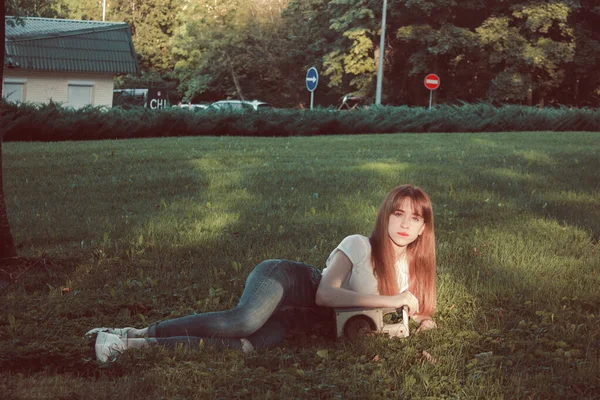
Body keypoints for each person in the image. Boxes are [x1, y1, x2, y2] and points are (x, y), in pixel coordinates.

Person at [88, 184, 437, 363]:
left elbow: (416, 313)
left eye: (415, 218)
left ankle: (128, 346)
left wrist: (425, 323)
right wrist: (390, 299)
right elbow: (325, 295)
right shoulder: (359, 244)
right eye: (398, 214)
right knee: (243, 321)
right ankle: (134, 329)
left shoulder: (413, 270)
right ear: (385, 216)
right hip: (287, 282)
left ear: (424, 228)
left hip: (297, 322)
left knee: (245, 347)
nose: (405, 224)